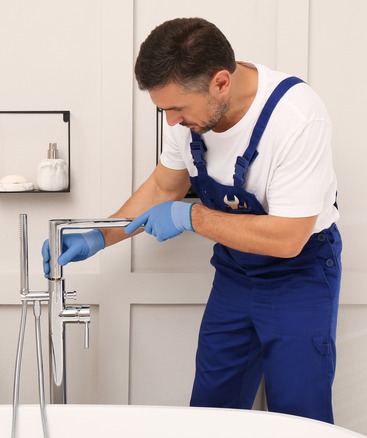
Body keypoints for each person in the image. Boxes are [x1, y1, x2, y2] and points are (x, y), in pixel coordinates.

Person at [42, 17, 342, 424]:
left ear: (221, 82)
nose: (170, 121)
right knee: (212, 410)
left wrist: (191, 215)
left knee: (298, 414)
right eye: (163, 109)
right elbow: (165, 187)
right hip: (236, 272)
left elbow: (288, 238)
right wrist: (97, 234)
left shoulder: (296, 118)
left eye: (177, 108)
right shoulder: (186, 119)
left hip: (299, 275)